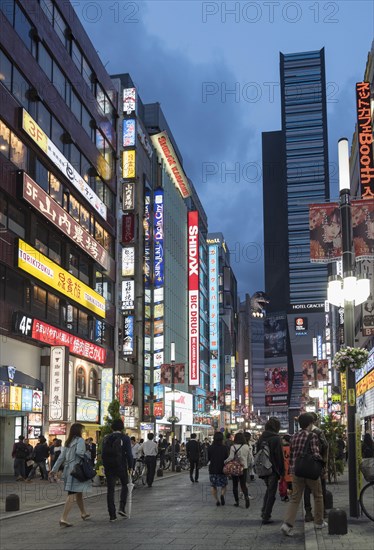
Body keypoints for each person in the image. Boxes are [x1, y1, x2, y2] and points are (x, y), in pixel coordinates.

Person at [281, 413, 326, 537]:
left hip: (297, 471)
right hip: (310, 471)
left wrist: (291, 470)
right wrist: (322, 466)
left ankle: (287, 525)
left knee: (295, 498)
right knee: (318, 495)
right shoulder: (312, 436)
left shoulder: (294, 437)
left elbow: (292, 456)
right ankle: (318, 522)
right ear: (310, 423)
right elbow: (316, 454)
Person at [49, 423, 91, 527]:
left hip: (68, 470)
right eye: (82, 430)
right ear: (78, 431)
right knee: (72, 494)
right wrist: (88, 454)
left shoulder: (68, 442)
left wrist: (54, 469)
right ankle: (63, 518)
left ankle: (83, 513)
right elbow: (80, 453)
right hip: (76, 470)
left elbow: (61, 458)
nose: (83, 432)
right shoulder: (80, 440)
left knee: (78, 492)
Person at [102, 419, 133, 522]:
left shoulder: (106, 438)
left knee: (110, 490)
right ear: (122, 428)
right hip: (121, 466)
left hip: (109, 467)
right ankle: (122, 507)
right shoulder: (125, 438)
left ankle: (112, 515)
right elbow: (129, 454)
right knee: (125, 485)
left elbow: (102, 454)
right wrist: (130, 466)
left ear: (112, 428)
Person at [257, 417, 285, 524]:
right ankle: (266, 516)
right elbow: (279, 457)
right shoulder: (276, 438)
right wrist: (282, 472)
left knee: (269, 490)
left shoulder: (261, 438)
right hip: (273, 469)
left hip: (263, 469)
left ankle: (264, 511)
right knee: (271, 493)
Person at [303, 412, 329, 522]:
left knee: (307, 489)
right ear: (314, 421)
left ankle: (308, 513)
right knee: (320, 489)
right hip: (317, 463)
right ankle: (322, 512)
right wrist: (325, 466)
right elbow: (326, 446)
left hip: (305, 464)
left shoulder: (301, 432)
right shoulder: (318, 432)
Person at [226, 432, 251, 508]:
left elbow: (230, 457)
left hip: (235, 467)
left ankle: (237, 501)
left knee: (235, 485)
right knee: (243, 485)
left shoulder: (233, 447)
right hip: (244, 467)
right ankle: (246, 498)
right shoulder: (246, 446)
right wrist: (247, 464)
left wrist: (225, 461)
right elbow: (249, 458)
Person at [207, 431, 229, 506]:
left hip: (213, 468)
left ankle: (217, 500)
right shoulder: (224, 448)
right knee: (224, 485)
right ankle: (222, 495)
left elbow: (208, 458)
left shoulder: (210, 448)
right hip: (222, 468)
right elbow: (226, 458)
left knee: (213, 486)